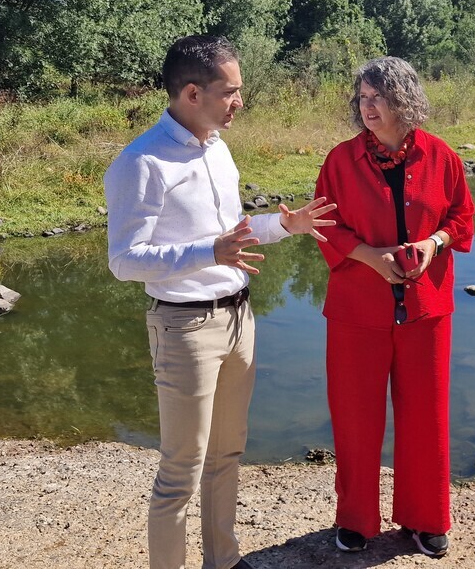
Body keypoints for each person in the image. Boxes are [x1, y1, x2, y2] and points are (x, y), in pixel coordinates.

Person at [104, 35, 337, 569]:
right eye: (230, 92)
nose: (239, 102)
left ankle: (224, 562)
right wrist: (210, 251)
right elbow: (126, 259)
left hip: (238, 318)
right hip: (184, 329)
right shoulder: (141, 162)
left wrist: (282, 225)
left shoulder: (218, 147)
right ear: (192, 93)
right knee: (180, 472)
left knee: (227, 454)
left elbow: (231, 233)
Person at [314, 56, 475, 557]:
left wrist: (433, 245)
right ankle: (356, 520)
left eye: (377, 97)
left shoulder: (442, 156)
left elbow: (462, 218)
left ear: (404, 99)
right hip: (355, 311)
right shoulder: (340, 161)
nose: (367, 106)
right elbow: (324, 225)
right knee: (355, 416)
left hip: (426, 309)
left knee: (426, 417)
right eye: (362, 97)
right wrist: (369, 258)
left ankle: (425, 520)